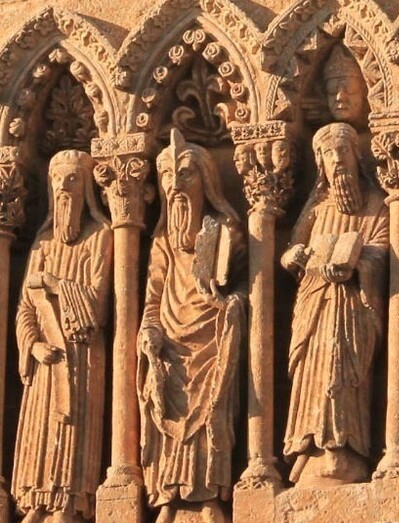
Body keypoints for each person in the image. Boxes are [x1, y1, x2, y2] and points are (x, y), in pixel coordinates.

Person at [138, 130, 245, 523]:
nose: (176, 185)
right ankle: (169, 496)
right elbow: (152, 298)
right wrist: (150, 330)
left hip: (212, 337)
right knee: (164, 415)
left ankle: (208, 497)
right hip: (170, 339)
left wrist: (229, 304)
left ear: (206, 180)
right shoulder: (162, 243)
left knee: (212, 413)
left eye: (185, 174)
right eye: (167, 176)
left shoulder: (226, 231)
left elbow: (248, 288)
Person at [281, 123, 388, 486]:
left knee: (341, 372)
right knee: (312, 373)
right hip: (314, 305)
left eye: (343, 151)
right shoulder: (316, 208)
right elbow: (291, 250)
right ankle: (308, 449)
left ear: (357, 156)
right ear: (321, 164)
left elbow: (383, 250)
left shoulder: (376, 205)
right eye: (329, 154)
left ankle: (344, 451)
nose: (337, 160)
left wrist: (358, 262)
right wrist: (294, 257)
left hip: (352, 307)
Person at [13, 150, 112, 523]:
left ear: (86, 187)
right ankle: (36, 504)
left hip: (80, 352)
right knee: (40, 429)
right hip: (45, 359)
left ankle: (67, 506)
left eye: (72, 179)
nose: (63, 188)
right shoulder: (42, 244)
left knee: (73, 427)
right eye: (57, 180)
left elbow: (98, 305)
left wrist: (57, 284)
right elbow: (24, 307)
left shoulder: (100, 237)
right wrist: (32, 344)